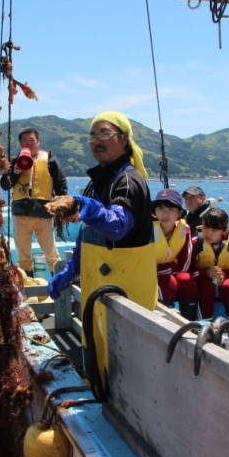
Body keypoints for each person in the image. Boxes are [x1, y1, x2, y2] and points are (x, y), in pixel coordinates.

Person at [47, 111, 157, 390]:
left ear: (124, 139)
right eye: (93, 136)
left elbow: (118, 226)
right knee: (96, 355)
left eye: (105, 134)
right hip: (98, 290)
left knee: (126, 366)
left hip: (127, 293)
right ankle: (98, 399)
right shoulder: (97, 182)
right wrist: (71, 271)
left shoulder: (128, 181)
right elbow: (87, 235)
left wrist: (90, 208)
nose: (97, 141)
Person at [0, 127, 68, 275]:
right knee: (23, 256)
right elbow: (5, 185)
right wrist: (15, 171)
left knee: (52, 254)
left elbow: (61, 184)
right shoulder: (14, 162)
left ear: (38, 141)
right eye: (25, 140)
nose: (28, 143)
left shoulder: (50, 159)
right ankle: (27, 286)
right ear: (20, 144)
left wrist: (61, 207)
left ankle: (58, 286)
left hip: (43, 214)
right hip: (20, 214)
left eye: (32, 140)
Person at [152, 188, 198, 321]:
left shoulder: (185, 230)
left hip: (172, 273)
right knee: (168, 281)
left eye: (171, 209)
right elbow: (142, 263)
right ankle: (166, 322)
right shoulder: (148, 231)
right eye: (160, 209)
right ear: (154, 212)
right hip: (151, 276)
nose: (165, 214)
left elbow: (185, 262)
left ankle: (190, 323)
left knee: (187, 280)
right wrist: (169, 267)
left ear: (179, 213)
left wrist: (169, 268)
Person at [192, 207, 229, 319]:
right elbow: (188, 271)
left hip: (226, 282)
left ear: (224, 230)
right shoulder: (195, 243)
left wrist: (226, 275)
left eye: (214, 230)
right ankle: (204, 321)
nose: (208, 233)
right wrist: (206, 273)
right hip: (203, 282)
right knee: (206, 286)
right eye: (205, 228)